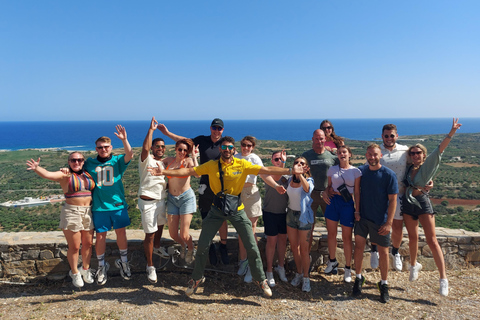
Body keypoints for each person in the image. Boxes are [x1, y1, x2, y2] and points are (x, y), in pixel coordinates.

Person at [148, 136, 305, 297]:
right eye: (224, 148)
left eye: (230, 148)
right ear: (220, 150)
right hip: (217, 209)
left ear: (234, 150)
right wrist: (164, 171)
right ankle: (196, 278)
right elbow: (188, 171)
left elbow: (267, 170)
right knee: (202, 245)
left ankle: (260, 279)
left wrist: (291, 171)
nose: (227, 150)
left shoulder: (242, 164)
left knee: (251, 244)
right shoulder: (212, 165)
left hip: (237, 208)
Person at [402, 118, 461, 297]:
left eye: (418, 152)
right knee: (412, 238)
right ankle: (414, 265)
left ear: (424, 155)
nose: (415, 155)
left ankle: (443, 279)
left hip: (422, 203)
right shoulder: (407, 168)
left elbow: (440, 149)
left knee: (432, 240)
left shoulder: (427, 166)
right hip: (407, 204)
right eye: (412, 153)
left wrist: (451, 132)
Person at [159, 118, 229, 265]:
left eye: (219, 128)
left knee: (222, 217)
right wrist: (167, 133)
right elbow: (184, 141)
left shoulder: (225, 144)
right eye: (214, 128)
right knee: (206, 217)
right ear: (210, 128)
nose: (217, 131)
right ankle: (209, 246)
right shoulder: (201, 141)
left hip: (222, 185)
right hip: (205, 185)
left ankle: (223, 246)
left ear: (222, 130)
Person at [27, 152, 95, 288]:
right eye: (73, 160)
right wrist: (37, 168)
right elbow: (48, 174)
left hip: (88, 212)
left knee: (87, 244)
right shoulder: (65, 174)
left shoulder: (88, 173)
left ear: (83, 161)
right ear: (68, 162)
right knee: (75, 246)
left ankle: (85, 269)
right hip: (71, 212)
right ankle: (75, 272)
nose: (77, 162)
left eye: (80, 160)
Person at [84, 125, 134, 285]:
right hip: (99, 207)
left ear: (111, 147)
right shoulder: (89, 163)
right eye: (100, 147)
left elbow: (130, 154)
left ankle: (124, 262)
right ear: (96, 148)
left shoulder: (117, 160)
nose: (103, 149)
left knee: (121, 234)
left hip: (118, 205)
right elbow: (76, 169)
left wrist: (124, 140)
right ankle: (101, 266)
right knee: (100, 237)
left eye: (106, 147)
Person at [352, 143, 398, 303]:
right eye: (370, 154)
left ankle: (384, 284)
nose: (372, 157)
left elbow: (393, 201)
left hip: (380, 220)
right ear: (366, 155)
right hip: (362, 218)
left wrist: (389, 222)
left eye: (375, 154)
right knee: (358, 248)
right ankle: (358, 278)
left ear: (381, 156)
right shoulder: (361, 172)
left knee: (384, 253)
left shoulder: (388, 175)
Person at [234, 136, 280, 283]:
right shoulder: (235, 157)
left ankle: (252, 265)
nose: (246, 148)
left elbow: (264, 174)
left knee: (251, 230)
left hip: (251, 194)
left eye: (249, 145)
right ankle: (243, 261)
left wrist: (275, 185)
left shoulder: (254, 158)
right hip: (237, 195)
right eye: (243, 145)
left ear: (252, 147)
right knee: (242, 230)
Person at [138, 117, 170, 284]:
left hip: (161, 200)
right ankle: (150, 266)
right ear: (152, 148)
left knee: (159, 227)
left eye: (163, 146)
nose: (160, 148)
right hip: (148, 202)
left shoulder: (164, 163)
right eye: (157, 146)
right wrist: (151, 130)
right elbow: (144, 147)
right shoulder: (146, 160)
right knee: (149, 234)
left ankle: (157, 248)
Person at [322, 146, 361, 282]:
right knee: (331, 234)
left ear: (350, 154)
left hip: (347, 203)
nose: (342, 154)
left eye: (344, 152)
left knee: (346, 237)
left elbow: (357, 192)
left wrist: (357, 209)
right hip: (334, 201)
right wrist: (326, 192)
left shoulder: (356, 171)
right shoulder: (332, 169)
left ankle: (348, 268)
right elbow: (329, 186)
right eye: (339, 152)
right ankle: (332, 260)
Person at [302, 129, 339, 259]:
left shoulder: (332, 157)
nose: (319, 141)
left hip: (327, 195)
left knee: (332, 230)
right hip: (310, 196)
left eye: (321, 138)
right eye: (317, 138)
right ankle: (306, 258)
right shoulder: (305, 156)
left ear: (325, 139)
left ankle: (332, 259)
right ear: (312, 139)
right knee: (308, 230)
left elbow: (342, 174)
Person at [163, 138, 198, 264]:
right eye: (180, 149)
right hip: (172, 199)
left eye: (185, 150)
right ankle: (183, 245)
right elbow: (152, 161)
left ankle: (190, 247)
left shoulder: (188, 161)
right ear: (175, 149)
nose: (182, 152)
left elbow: (197, 174)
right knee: (173, 234)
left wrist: (194, 157)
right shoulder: (168, 160)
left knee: (184, 233)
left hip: (186, 198)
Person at [286, 156, 315, 292]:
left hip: (304, 217)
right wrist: (284, 162)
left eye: (302, 163)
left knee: (304, 249)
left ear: (306, 168)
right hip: (291, 215)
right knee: (294, 247)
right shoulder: (289, 179)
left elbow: (307, 189)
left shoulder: (309, 180)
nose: (298, 164)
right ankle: (298, 273)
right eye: (296, 162)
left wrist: (300, 174)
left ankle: (306, 278)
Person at [262, 150, 289, 287]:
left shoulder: (287, 175)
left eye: (281, 159)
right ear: (272, 161)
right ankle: (269, 271)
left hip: (284, 213)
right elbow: (276, 178)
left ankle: (281, 267)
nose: (279, 161)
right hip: (270, 212)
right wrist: (283, 164)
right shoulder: (268, 173)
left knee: (283, 241)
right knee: (271, 241)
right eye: (276, 159)